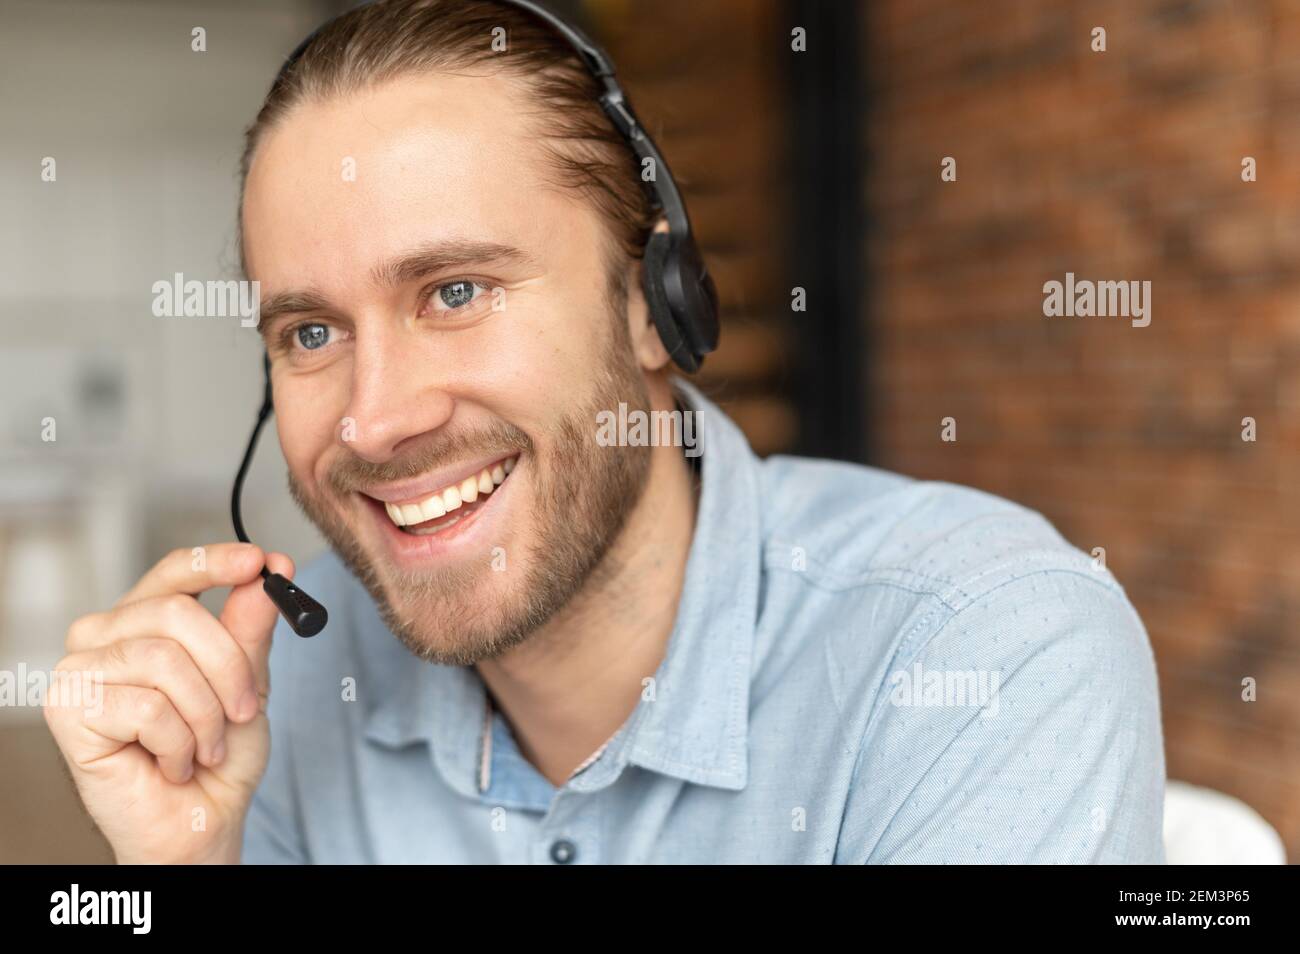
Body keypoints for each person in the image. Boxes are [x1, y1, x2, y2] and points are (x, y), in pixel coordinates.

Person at [45, 0, 1166, 864]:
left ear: (653, 304)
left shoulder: (983, 654)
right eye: (309, 333)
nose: (376, 419)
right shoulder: (281, 694)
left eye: (454, 292)